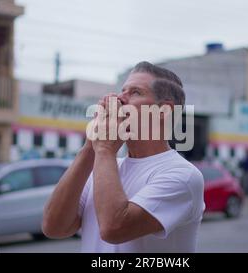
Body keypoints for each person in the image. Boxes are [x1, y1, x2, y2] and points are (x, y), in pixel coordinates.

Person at [42, 61, 205, 253]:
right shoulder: (104, 164)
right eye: (122, 91)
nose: (119, 99)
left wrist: (103, 148)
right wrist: (90, 146)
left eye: (135, 92)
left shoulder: (183, 175)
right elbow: (54, 227)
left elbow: (114, 228)